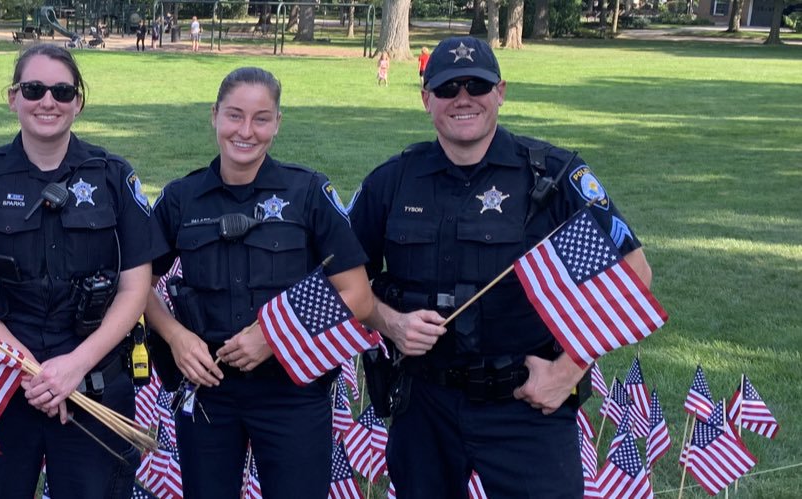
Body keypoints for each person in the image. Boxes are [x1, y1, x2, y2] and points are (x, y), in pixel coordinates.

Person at [349, 36, 654, 498]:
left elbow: (634, 271)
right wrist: (389, 322)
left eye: (478, 85)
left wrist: (569, 371)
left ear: (501, 91)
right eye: (449, 88)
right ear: (426, 98)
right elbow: (345, 279)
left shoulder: (553, 176)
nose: (463, 99)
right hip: (425, 403)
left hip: (527, 402)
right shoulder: (392, 181)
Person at [0, 43, 163, 499]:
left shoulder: (114, 177)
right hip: (1, 383)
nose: (48, 101)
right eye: (34, 88)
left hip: (94, 384)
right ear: (13, 97)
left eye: (62, 91)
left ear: (78, 101)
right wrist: (31, 369)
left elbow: (135, 287)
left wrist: (73, 367)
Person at [143, 67, 374, 498]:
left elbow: (358, 295)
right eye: (234, 115)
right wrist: (175, 336)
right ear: (214, 116)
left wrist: (273, 338)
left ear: (277, 123)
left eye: (261, 118)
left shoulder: (306, 193)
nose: (246, 131)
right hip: (209, 387)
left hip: (292, 390)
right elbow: (138, 286)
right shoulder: (181, 197)